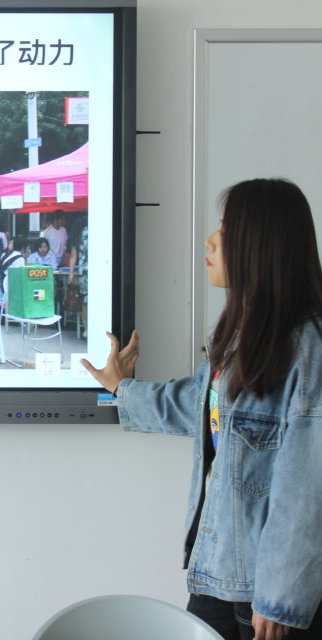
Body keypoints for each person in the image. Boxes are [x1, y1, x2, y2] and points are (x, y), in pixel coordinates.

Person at [82, 178, 322, 640]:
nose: (209, 242)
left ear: (262, 244)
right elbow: (198, 406)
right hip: (218, 572)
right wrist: (122, 388)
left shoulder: (308, 349)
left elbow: (307, 492)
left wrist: (281, 597)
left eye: (225, 231)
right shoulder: (243, 337)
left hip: (265, 596)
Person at [67, 225, 88, 335]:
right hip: (99, 272)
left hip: (83, 273)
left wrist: (71, 274)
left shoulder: (79, 234)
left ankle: (86, 330)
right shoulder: (100, 231)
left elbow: (73, 256)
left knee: (84, 303)